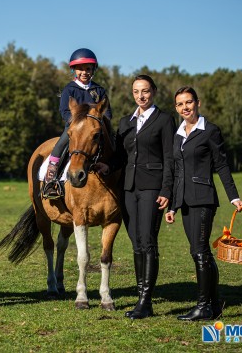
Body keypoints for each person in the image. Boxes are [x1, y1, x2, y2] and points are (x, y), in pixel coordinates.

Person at [98, 75, 175, 319]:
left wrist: (167, 190)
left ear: (153, 92)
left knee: (148, 240)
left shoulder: (164, 120)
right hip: (129, 189)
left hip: (153, 187)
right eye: (136, 91)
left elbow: (170, 158)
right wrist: (107, 167)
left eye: (145, 91)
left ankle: (145, 301)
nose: (140, 96)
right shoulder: (126, 122)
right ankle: (143, 296)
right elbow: (121, 156)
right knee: (135, 241)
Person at [165, 86, 242, 321]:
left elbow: (221, 165)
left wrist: (234, 196)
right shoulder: (178, 134)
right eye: (180, 104)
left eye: (188, 102)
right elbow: (177, 171)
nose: (184, 107)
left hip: (203, 198)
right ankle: (214, 302)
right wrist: (172, 206)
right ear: (176, 108)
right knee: (201, 253)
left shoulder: (210, 131)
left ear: (197, 103)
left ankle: (203, 307)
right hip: (185, 201)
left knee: (199, 252)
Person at [42, 48, 112, 199]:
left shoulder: (99, 90)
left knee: (113, 143)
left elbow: (107, 112)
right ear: (74, 70)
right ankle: (51, 179)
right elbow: (64, 111)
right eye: (80, 69)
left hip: (94, 128)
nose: (84, 72)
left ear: (93, 69)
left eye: (88, 69)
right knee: (61, 144)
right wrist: (75, 122)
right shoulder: (69, 89)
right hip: (75, 127)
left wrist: (100, 121)